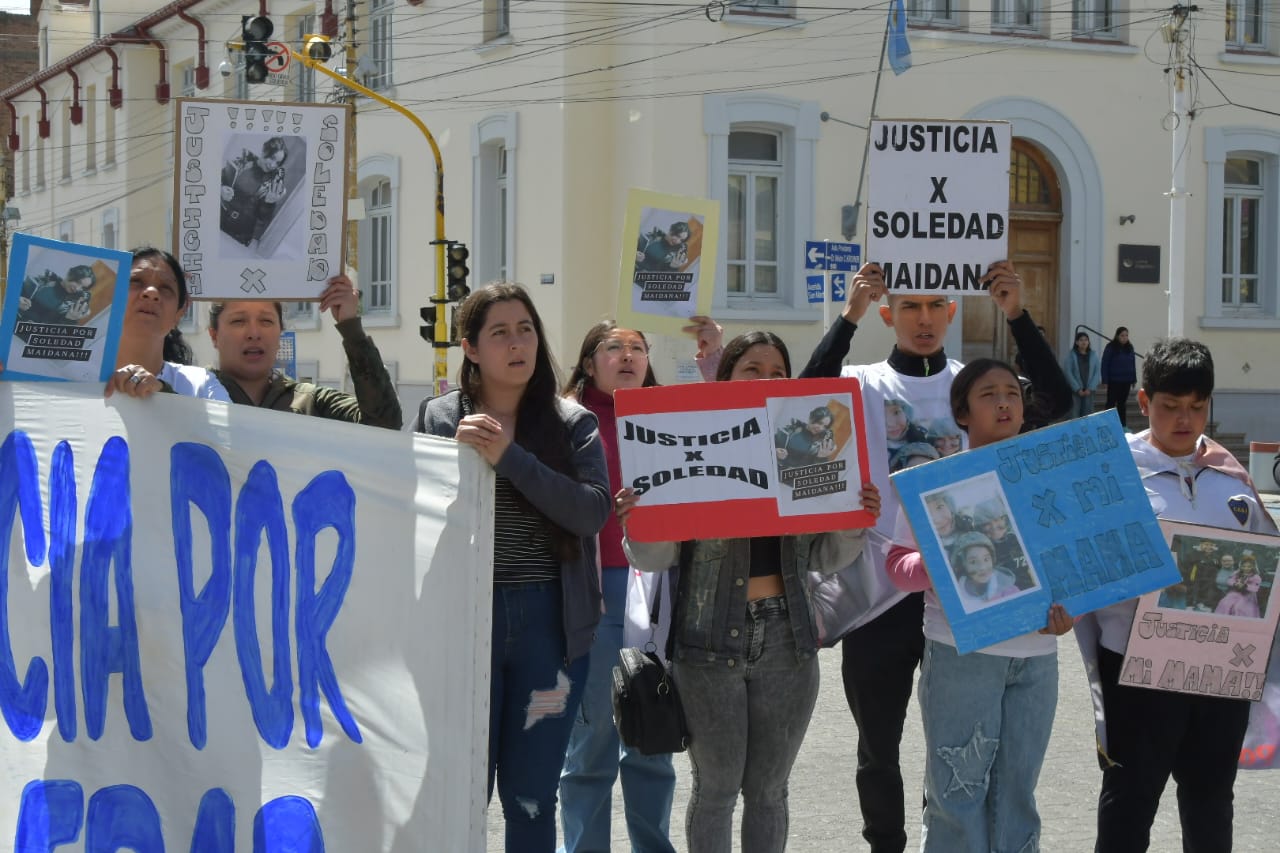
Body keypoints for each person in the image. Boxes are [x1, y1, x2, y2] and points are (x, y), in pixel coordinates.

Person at [794, 260, 1072, 853]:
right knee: (879, 742)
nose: (923, 319)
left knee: (956, 746)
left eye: (935, 307)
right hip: (879, 586)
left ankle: (940, 832)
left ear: (952, 312)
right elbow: (802, 395)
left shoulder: (974, 384)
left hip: (964, 594)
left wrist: (1017, 315)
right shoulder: (864, 383)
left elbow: (1056, 398)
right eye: (910, 307)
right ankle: (886, 843)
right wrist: (850, 315)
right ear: (890, 312)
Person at [617, 330, 881, 853]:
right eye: (751, 370)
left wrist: (856, 517)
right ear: (725, 380)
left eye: (777, 371)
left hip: (789, 640)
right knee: (716, 789)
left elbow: (826, 559)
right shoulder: (695, 443)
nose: (766, 380)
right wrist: (640, 521)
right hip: (708, 644)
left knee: (768, 790)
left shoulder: (808, 449)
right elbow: (655, 559)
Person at [413, 283, 611, 851]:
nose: (517, 343)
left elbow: (591, 511)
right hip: (463, 627)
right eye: (499, 333)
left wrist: (510, 457)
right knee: (459, 790)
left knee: (530, 797)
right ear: (471, 348)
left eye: (525, 329)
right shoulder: (438, 416)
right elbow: (412, 511)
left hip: (549, 631)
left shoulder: (570, 422)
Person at [1076, 337, 1278, 853]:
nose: (1185, 419)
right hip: (1138, 667)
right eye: (1170, 407)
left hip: (1220, 674)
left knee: (1211, 798)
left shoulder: (1230, 474)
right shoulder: (1111, 471)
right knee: (1130, 799)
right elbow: (1082, 562)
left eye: (1197, 407)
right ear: (1143, 403)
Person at [886, 356, 1074, 853]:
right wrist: (939, 569)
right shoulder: (937, 483)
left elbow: (1071, 558)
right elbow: (897, 564)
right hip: (960, 652)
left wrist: (1073, 607)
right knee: (957, 794)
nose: (1004, 402)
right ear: (962, 413)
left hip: (1037, 657)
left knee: (1018, 795)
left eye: (1012, 392)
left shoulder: (1045, 478)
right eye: (989, 394)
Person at [558, 320, 677, 853]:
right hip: (594, 590)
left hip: (660, 589)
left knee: (655, 735)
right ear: (589, 363)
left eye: (638, 348)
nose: (628, 356)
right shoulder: (562, 423)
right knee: (592, 743)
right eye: (614, 348)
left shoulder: (673, 418)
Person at [206, 276, 401, 428]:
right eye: (238, 321)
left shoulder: (310, 403)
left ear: (280, 332)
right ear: (214, 335)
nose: (254, 333)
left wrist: (350, 326)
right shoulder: (190, 394)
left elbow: (384, 422)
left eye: (266, 321)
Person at [105, 247, 229, 401]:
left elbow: (229, 426)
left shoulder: (200, 387)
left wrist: (165, 396)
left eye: (166, 288)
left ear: (180, 311)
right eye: (136, 281)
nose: (151, 292)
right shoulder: (73, 379)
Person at [221, 136, 290, 247]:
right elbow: (217, 181)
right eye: (272, 158)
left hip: (241, 236)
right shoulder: (242, 162)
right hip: (220, 222)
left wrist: (269, 203)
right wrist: (221, 190)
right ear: (264, 151)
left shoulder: (273, 183)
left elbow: (262, 218)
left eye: (277, 163)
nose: (273, 165)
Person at [949, 531, 1019, 608]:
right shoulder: (955, 598)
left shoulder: (1009, 591)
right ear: (962, 565)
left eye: (986, 559)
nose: (982, 567)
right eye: (973, 562)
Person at [18, 264, 95, 327]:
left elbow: (57, 336)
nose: (78, 288)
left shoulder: (72, 307)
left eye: (83, 288)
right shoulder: (45, 280)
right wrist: (17, 300)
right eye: (78, 282)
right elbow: (12, 294)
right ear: (69, 273)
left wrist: (69, 320)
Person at [1100, 326, 1137, 428]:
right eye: (1122, 335)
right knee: (1111, 403)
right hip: (1114, 380)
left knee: (1122, 404)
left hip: (1126, 380)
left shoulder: (1130, 347)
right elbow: (1105, 363)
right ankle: (1107, 424)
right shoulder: (1111, 347)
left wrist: (1134, 379)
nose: (1124, 338)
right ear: (1117, 336)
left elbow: (1132, 363)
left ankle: (1122, 425)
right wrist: (1105, 380)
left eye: (1126, 335)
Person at [1063, 331, 1101, 419]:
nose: (1084, 342)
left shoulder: (1093, 355)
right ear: (1076, 342)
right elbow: (1068, 372)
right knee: (1074, 415)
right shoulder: (1071, 356)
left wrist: (1090, 388)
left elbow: (1097, 372)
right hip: (1075, 391)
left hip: (1089, 391)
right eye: (1081, 340)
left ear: (1088, 342)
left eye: (1086, 340)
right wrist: (1077, 388)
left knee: (1088, 415)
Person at [1215, 553, 1262, 618]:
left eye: (1249, 567)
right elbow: (1229, 580)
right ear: (1241, 566)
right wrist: (1235, 583)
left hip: (1247, 596)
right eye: (1244, 566)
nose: (1246, 568)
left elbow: (1255, 588)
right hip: (1235, 593)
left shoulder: (1256, 577)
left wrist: (1245, 586)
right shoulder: (1237, 573)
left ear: (1253, 567)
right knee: (1225, 602)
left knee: (1238, 607)